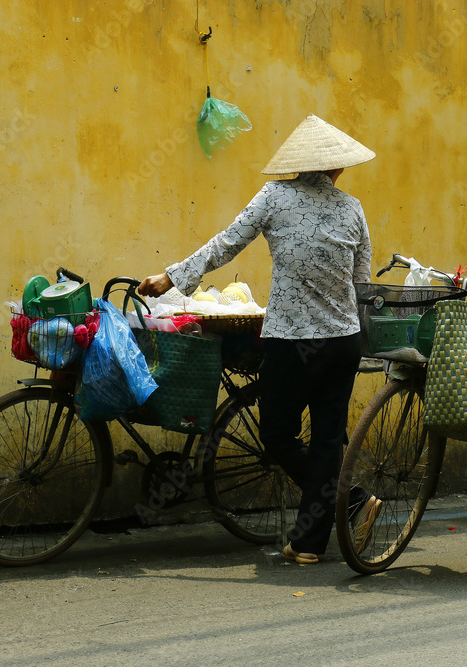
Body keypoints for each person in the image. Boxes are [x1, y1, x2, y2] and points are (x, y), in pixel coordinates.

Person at [139, 114, 382, 564]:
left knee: (276, 435)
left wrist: (170, 279)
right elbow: (361, 280)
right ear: (337, 168)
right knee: (328, 439)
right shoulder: (352, 207)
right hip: (342, 340)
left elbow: (226, 244)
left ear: (295, 164)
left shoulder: (275, 195)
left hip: (291, 341)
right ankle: (312, 541)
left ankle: (346, 507)